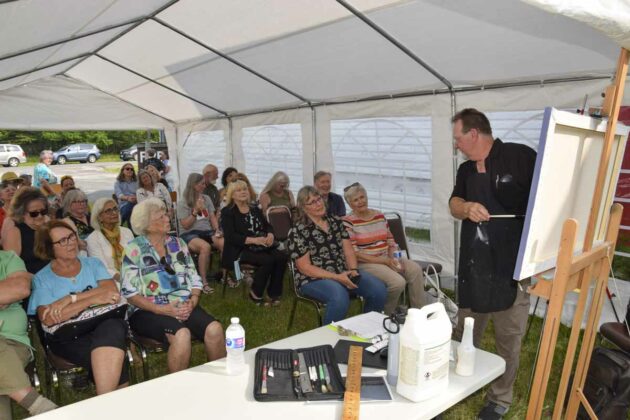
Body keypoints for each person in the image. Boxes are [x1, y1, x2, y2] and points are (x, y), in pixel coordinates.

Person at [449, 108, 536, 420]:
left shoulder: (520, 157)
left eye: (458, 138)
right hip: (474, 264)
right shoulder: (465, 170)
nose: (456, 144)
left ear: (474, 133)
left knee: (508, 337)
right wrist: (466, 207)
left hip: (510, 267)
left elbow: (546, 202)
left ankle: (499, 399)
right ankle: (456, 385)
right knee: (465, 330)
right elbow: (453, 204)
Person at [121, 198, 226, 372]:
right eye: (161, 217)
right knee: (181, 335)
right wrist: (162, 309)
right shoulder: (134, 249)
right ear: (147, 225)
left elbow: (194, 278)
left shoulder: (178, 244)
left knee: (215, 329)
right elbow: (129, 294)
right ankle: (177, 386)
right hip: (147, 310)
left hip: (183, 304)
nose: (167, 218)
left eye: (166, 214)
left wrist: (193, 300)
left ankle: (220, 378)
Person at [28, 220, 129, 395]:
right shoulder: (42, 278)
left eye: (71, 236)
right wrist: (93, 298)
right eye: (62, 241)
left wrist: (70, 299)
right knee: (113, 352)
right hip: (70, 336)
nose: (71, 243)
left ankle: (105, 401)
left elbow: (111, 292)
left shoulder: (93, 264)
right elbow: (49, 318)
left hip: (104, 324)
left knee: (112, 330)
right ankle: (110, 402)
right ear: (49, 248)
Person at [288, 186, 386, 324]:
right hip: (312, 279)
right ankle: (328, 335)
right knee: (339, 297)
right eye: (312, 202)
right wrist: (337, 277)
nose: (318, 204)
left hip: (343, 272)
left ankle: (368, 327)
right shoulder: (298, 231)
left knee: (378, 289)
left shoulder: (336, 221)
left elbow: (348, 250)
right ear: (304, 208)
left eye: (319, 199)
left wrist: (353, 270)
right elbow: (305, 267)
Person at [343, 183, 425, 315]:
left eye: (362, 197)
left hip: (386, 257)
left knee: (415, 269)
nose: (360, 202)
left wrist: (395, 258)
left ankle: (419, 314)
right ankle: (385, 315)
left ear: (367, 197)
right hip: (365, 262)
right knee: (397, 282)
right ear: (350, 204)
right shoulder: (347, 222)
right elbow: (354, 253)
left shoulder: (379, 216)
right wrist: (386, 262)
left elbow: (390, 241)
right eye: (355, 200)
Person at [0, 251, 58, 419]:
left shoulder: (8, 259)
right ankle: (41, 407)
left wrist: (9, 293)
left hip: (13, 342)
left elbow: (20, 288)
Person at [221, 180, 287, 306]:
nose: (243, 192)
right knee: (267, 260)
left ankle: (274, 293)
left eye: (244, 189)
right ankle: (256, 294)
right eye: (238, 190)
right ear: (232, 195)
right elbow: (230, 237)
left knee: (281, 257)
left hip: (259, 246)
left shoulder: (254, 209)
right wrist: (253, 240)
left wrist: (270, 234)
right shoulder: (228, 212)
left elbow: (267, 226)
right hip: (238, 250)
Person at [177, 173, 224, 294]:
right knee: (205, 247)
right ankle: (203, 281)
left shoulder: (206, 198)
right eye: (202, 184)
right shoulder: (183, 202)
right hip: (188, 233)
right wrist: (195, 211)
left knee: (224, 243)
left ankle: (224, 275)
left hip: (206, 231)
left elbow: (212, 217)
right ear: (194, 185)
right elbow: (185, 225)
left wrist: (217, 229)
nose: (204, 186)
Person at [1, 187, 49, 276]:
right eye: (34, 213)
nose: (39, 216)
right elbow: (12, 269)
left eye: (43, 211)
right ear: (22, 213)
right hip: (31, 280)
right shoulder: (15, 232)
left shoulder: (49, 227)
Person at [86, 198, 134, 282]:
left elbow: (136, 257)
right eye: (108, 211)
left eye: (115, 209)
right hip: (111, 280)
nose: (114, 213)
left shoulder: (127, 232)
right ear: (99, 217)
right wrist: (123, 280)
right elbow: (101, 267)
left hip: (133, 275)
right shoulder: (93, 238)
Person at [0, 173, 22, 238]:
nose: (11, 192)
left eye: (13, 189)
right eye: (7, 190)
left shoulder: (24, 210)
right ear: (0, 196)